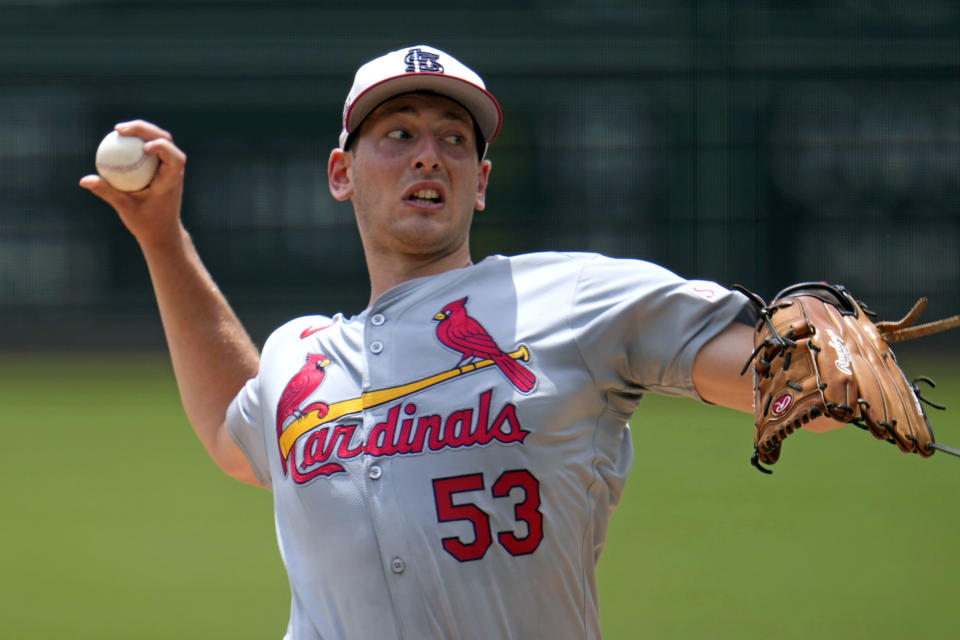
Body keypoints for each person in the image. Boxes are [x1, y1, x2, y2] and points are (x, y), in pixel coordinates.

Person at [79, 44, 839, 639]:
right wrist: (160, 236)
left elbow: (787, 382)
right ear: (341, 173)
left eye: (453, 138)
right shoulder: (299, 355)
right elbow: (231, 434)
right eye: (398, 133)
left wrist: (822, 374)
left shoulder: (574, 297)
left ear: (479, 181)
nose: (427, 155)